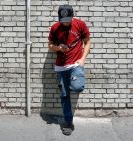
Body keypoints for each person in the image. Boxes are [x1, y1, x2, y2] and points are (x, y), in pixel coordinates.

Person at [48, 4, 91, 136]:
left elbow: (87, 41)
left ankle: (71, 83)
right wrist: (59, 48)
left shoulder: (80, 24)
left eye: (67, 20)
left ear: (72, 16)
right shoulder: (55, 27)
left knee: (77, 87)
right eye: (63, 21)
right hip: (61, 66)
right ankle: (68, 122)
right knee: (65, 95)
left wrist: (83, 59)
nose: (65, 23)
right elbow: (50, 46)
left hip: (75, 64)